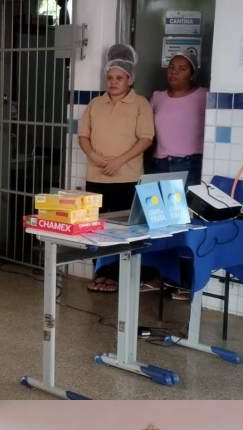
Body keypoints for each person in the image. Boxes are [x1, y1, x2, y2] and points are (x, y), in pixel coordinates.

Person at [78, 44, 154, 293]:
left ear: (130, 80)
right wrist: (93, 155)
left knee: (122, 231)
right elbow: (83, 136)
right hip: (96, 177)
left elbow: (146, 139)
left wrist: (119, 161)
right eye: (110, 78)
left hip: (126, 177)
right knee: (95, 229)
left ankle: (119, 277)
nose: (113, 82)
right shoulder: (95, 104)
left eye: (119, 78)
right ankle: (100, 274)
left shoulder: (140, 104)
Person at [150, 53, 207, 188]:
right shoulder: (157, 97)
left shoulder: (204, 95)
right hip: (160, 164)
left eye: (182, 69)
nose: (174, 72)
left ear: (192, 75)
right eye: (171, 67)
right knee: (157, 202)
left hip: (190, 164)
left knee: (186, 202)